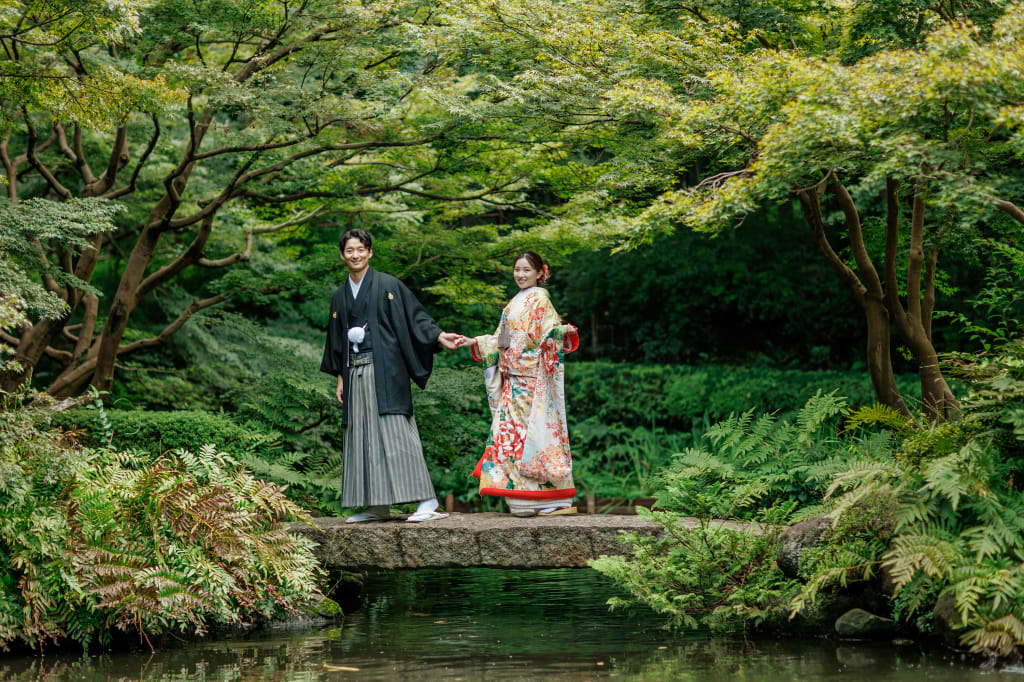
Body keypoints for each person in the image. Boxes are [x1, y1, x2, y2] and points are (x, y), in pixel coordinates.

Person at [320, 229, 461, 523]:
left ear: (370, 252)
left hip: (386, 371)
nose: (355, 255)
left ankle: (426, 499)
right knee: (362, 436)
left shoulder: (388, 285)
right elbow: (336, 340)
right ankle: (377, 504)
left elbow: (415, 317)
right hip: (354, 371)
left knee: (397, 432)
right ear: (342, 255)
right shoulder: (340, 297)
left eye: (360, 249)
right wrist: (340, 378)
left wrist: (437, 336)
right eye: (349, 250)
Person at [458, 252, 580, 517]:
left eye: (526, 270)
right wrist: (476, 341)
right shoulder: (514, 302)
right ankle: (524, 495)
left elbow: (548, 334)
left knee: (532, 436)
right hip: (513, 380)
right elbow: (502, 340)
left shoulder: (540, 299)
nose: (521, 275)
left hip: (531, 380)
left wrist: (562, 332)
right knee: (513, 437)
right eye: (517, 269)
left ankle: (546, 497)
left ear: (539, 273)